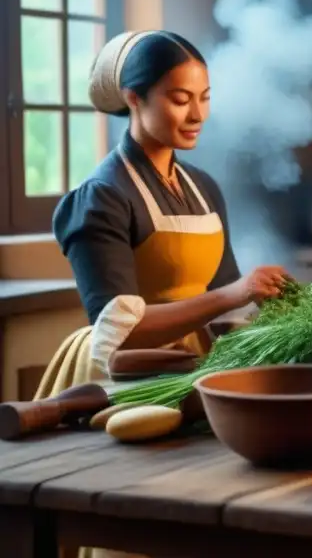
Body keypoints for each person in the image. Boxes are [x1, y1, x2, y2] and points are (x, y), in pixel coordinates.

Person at [35, 30, 290, 402]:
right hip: (121, 377)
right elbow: (118, 333)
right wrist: (235, 294)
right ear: (134, 98)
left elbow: (225, 296)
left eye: (204, 98)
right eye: (180, 99)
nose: (198, 114)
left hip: (194, 368)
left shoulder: (203, 188)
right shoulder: (100, 199)